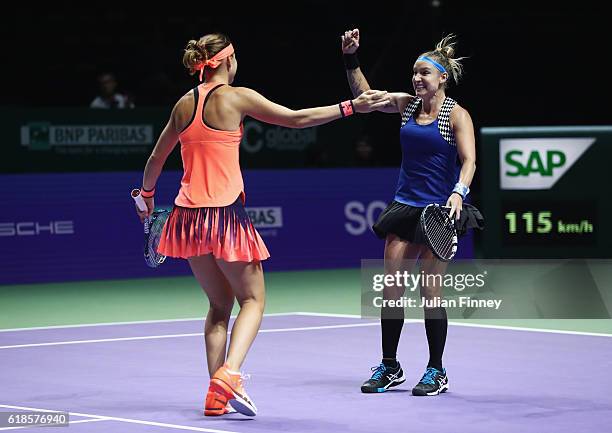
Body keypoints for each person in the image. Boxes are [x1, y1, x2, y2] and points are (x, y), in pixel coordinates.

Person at [135, 32, 390, 417]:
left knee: (218, 307)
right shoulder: (238, 97)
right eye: (235, 57)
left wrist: (147, 199)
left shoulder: (182, 105)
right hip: (223, 215)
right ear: (224, 60)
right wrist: (351, 107)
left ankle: (214, 396)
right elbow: (297, 119)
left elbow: (155, 160)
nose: (238, 64)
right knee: (253, 300)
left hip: (185, 218)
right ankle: (230, 375)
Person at [341, 29, 480, 396]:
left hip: (438, 211)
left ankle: (436, 370)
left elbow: (469, 161)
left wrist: (458, 192)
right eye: (414, 73)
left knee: (430, 293)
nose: (417, 78)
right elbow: (364, 98)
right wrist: (351, 57)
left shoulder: (457, 115)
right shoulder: (407, 105)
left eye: (424, 73)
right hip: (404, 206)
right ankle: (390, 366)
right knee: (391, 290)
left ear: (442, 78)